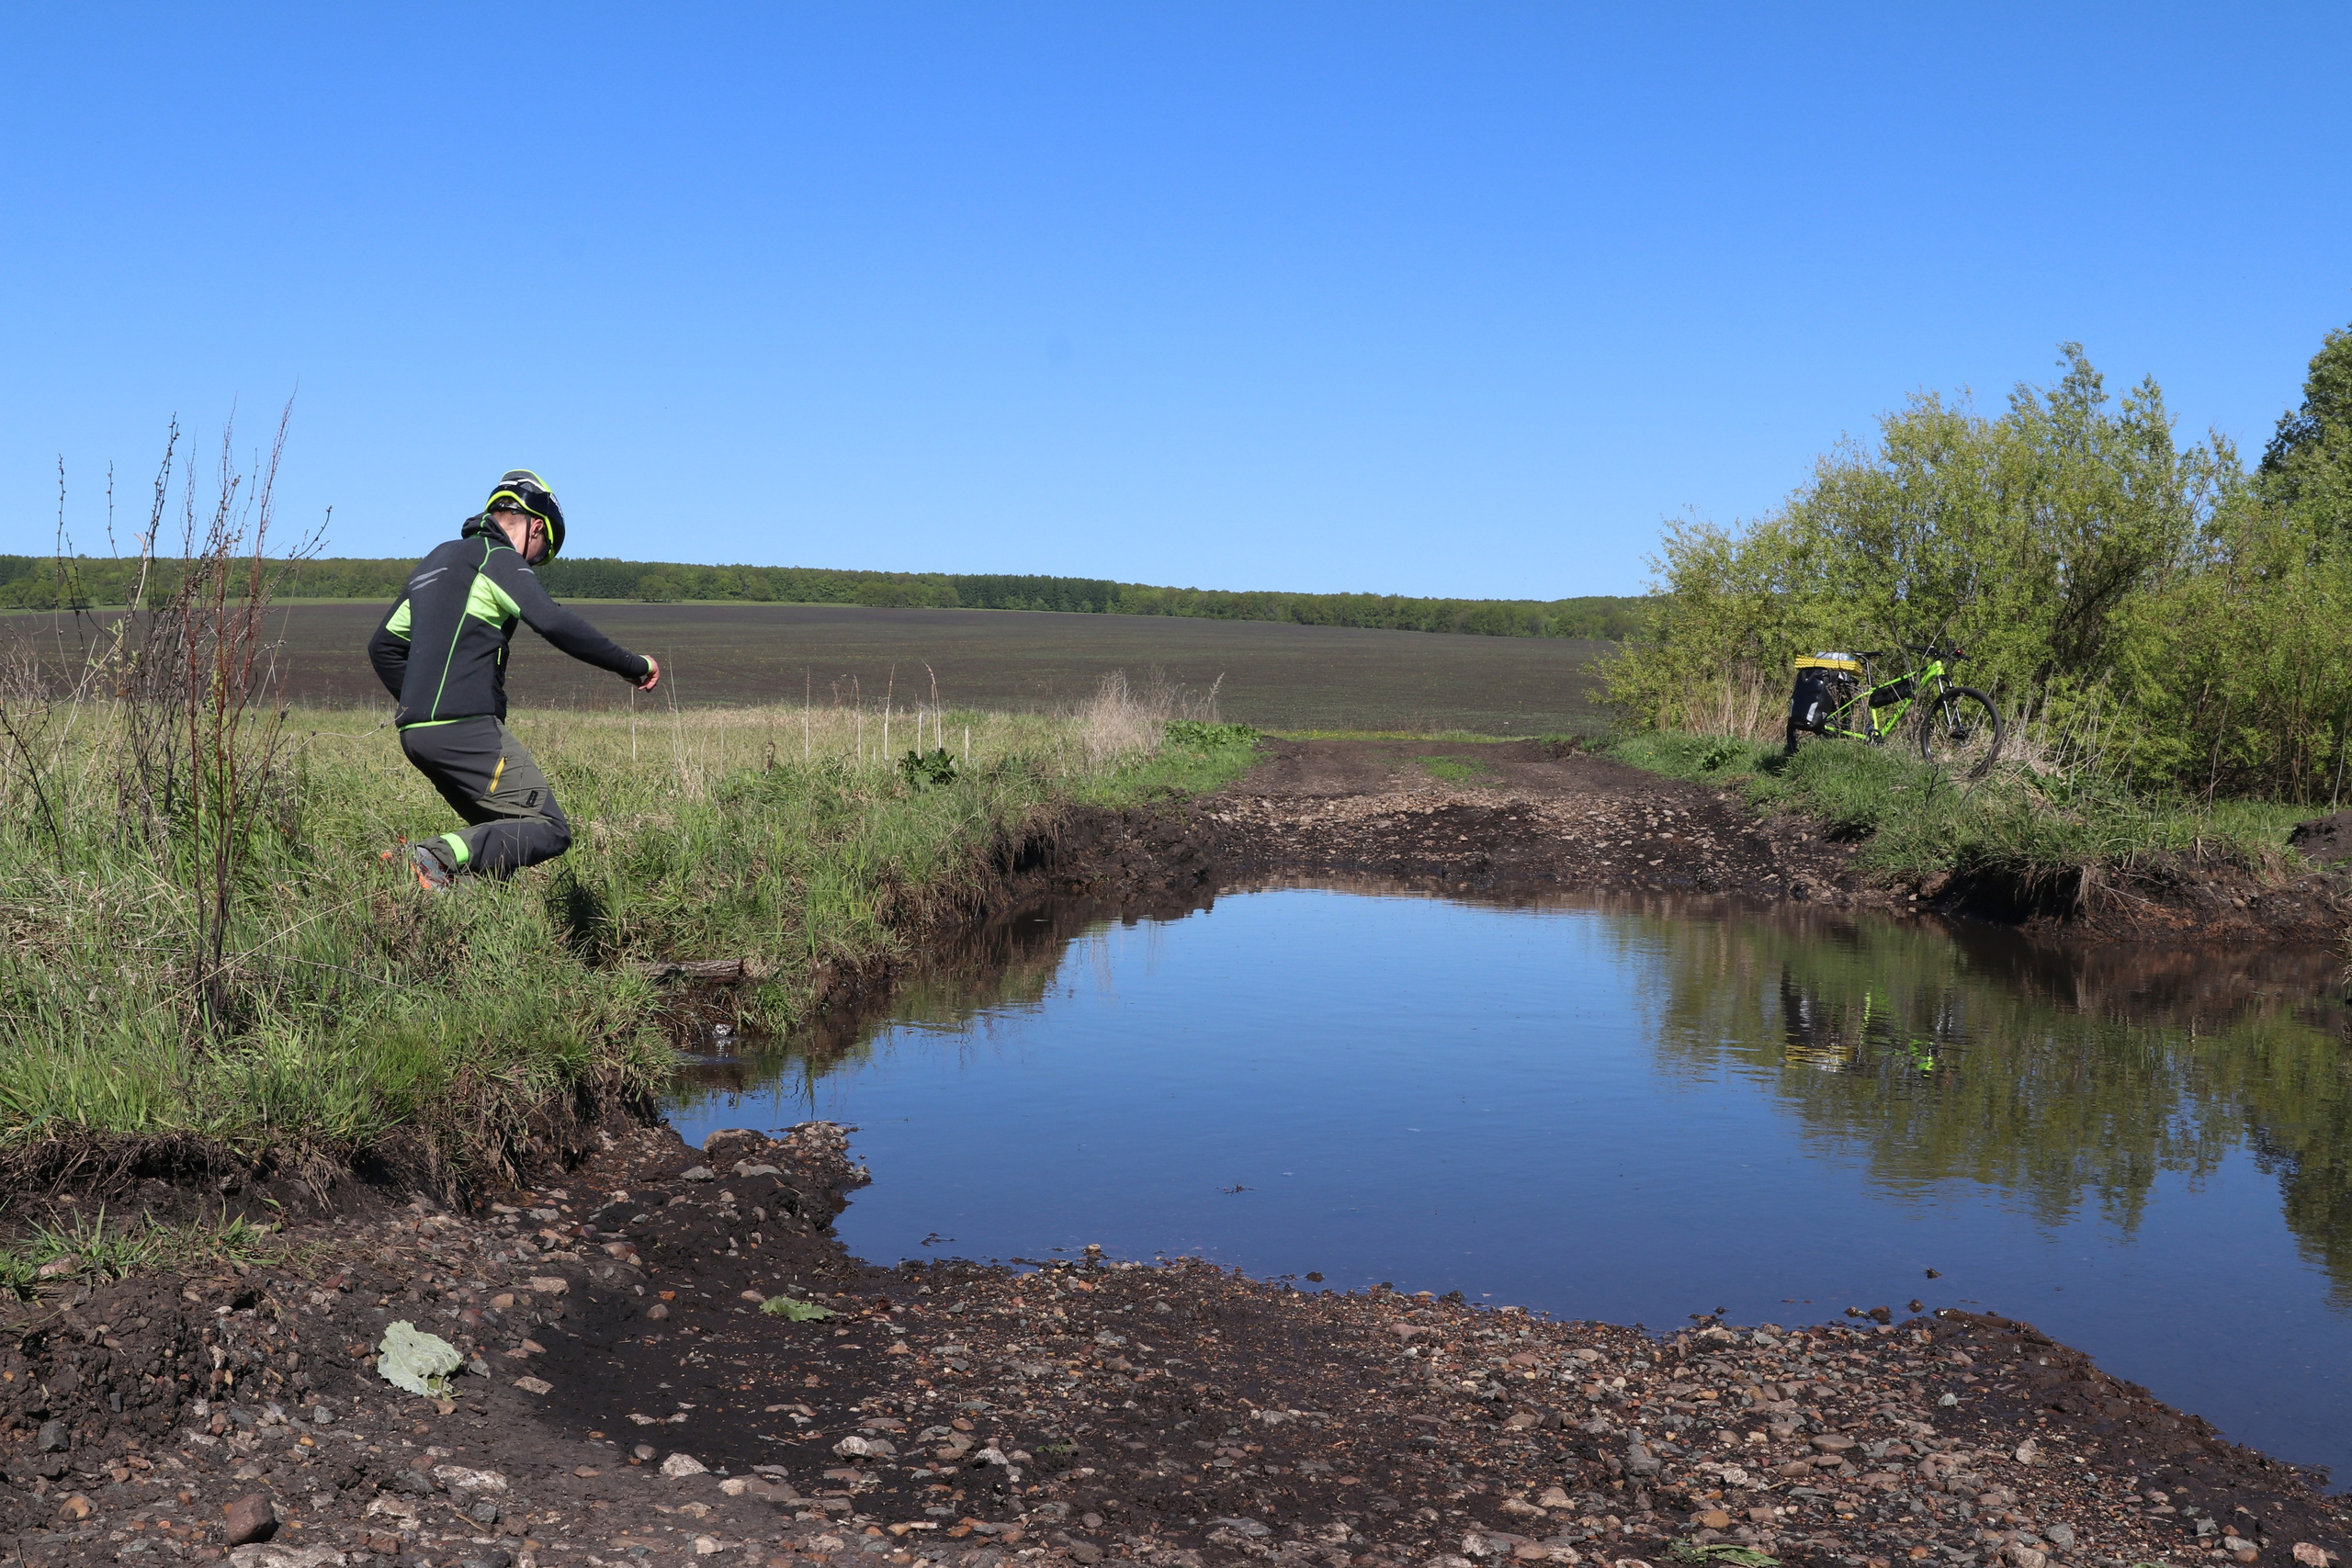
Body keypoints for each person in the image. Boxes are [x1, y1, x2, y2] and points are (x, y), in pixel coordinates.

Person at [368, 469, 660, 889]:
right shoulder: (495, 558)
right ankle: (431, 856)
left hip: (416, 733)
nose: (533, 563)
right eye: (541, 554)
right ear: (536, 526)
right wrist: (634, 665)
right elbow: (555, 622)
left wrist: (421, 701)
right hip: (466, 727)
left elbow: (383, 647)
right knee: (547, 827)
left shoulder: (434, 560)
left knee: (501, 838)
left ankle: (431, 900)